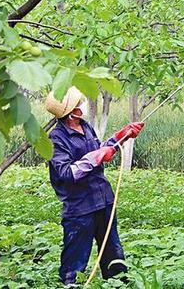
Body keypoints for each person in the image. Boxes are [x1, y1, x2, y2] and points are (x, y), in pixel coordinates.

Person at [45, 86, 145, 285]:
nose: (83, 103)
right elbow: (66, 173)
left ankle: (118, 283)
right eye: (78, 102)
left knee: (114, 254)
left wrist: (120, 137)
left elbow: (100, 150)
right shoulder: (56, 138)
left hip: (104, 201)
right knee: (74, 263)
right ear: (71, 111)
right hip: (80, 209)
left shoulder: (85, 127)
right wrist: (97, 157)